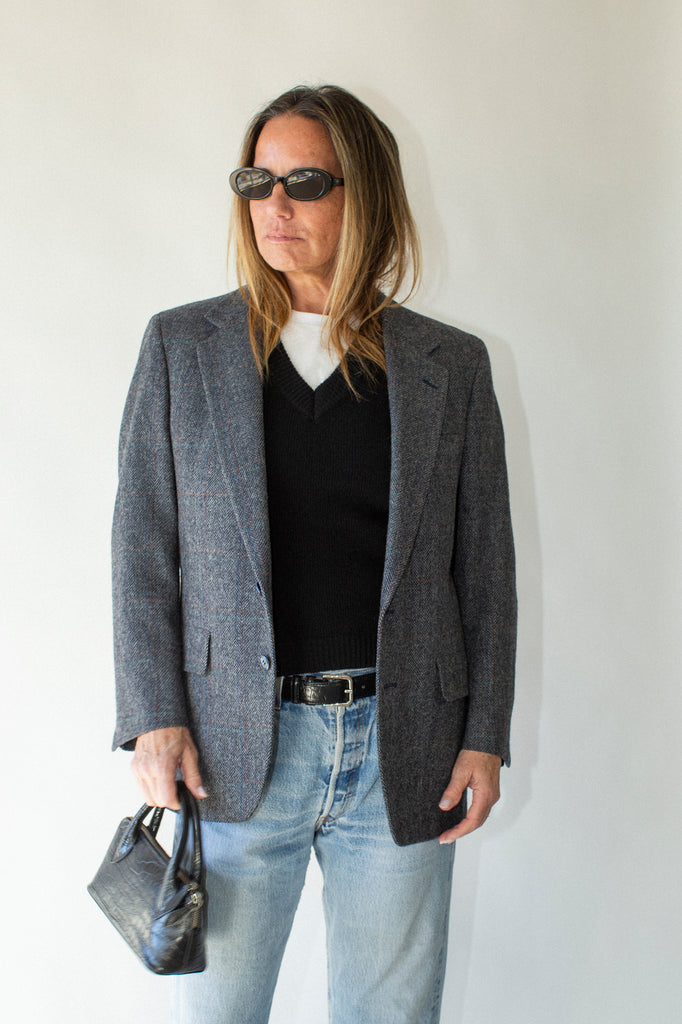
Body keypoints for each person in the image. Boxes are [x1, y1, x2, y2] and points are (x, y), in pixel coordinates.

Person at [112, 84, 516, 1024]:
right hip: (234, 751)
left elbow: (484, 569)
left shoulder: (447, 367)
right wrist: (153, 718)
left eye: (305, 181)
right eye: (258, 180)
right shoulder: (183, 347)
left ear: (364, 195)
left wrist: (484, 733)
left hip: (404, 746)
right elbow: (143, 548)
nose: (274, 206)